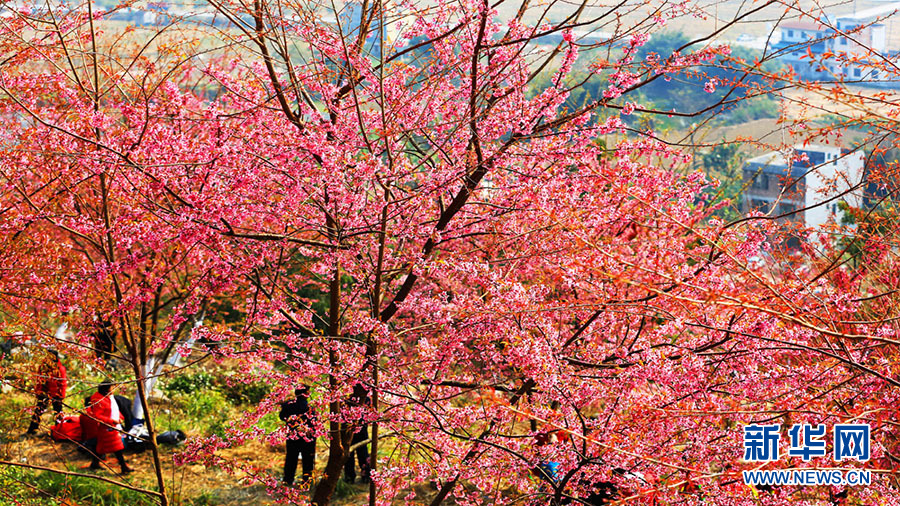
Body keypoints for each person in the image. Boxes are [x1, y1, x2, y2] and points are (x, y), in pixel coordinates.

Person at [87, 383, 133, 474]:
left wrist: (120, 417)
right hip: (106, 427)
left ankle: (94, 463)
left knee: (102, 447)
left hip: (111, 426)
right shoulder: (98, 400)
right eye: (112, 387)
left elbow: (114, 409)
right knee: (117, 447)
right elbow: (97, 416)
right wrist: (112, 421)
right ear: (107, 389)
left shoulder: (109, 397)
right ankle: (123, 467)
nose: (114, 389)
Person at [279, 386, 316, 485]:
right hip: (308, 436)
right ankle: (307, 481)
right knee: (308, 459)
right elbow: (314, 421)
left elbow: (282, 416)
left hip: (292, 435)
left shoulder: (288, 405)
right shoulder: (310, 407)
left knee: (291, 458)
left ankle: (288, 480)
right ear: (306, 394)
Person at [26, 350, 67, 435]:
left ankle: (59, 431)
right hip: (44, 392)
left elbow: (63, 383)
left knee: (58, 412)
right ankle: (32, 430)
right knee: (38, 411)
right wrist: (38, 391)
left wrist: (61, 395)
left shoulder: (60, 368)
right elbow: (39, 380)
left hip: (56, 394)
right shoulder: (43, 367)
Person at [343, 384, 371, 484]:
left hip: (353, 431)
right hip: (357, 431)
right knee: (360, 454)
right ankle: (363, 476)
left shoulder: (348, 399)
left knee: (354, 455)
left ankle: (353, 476)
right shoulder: (365, 399)